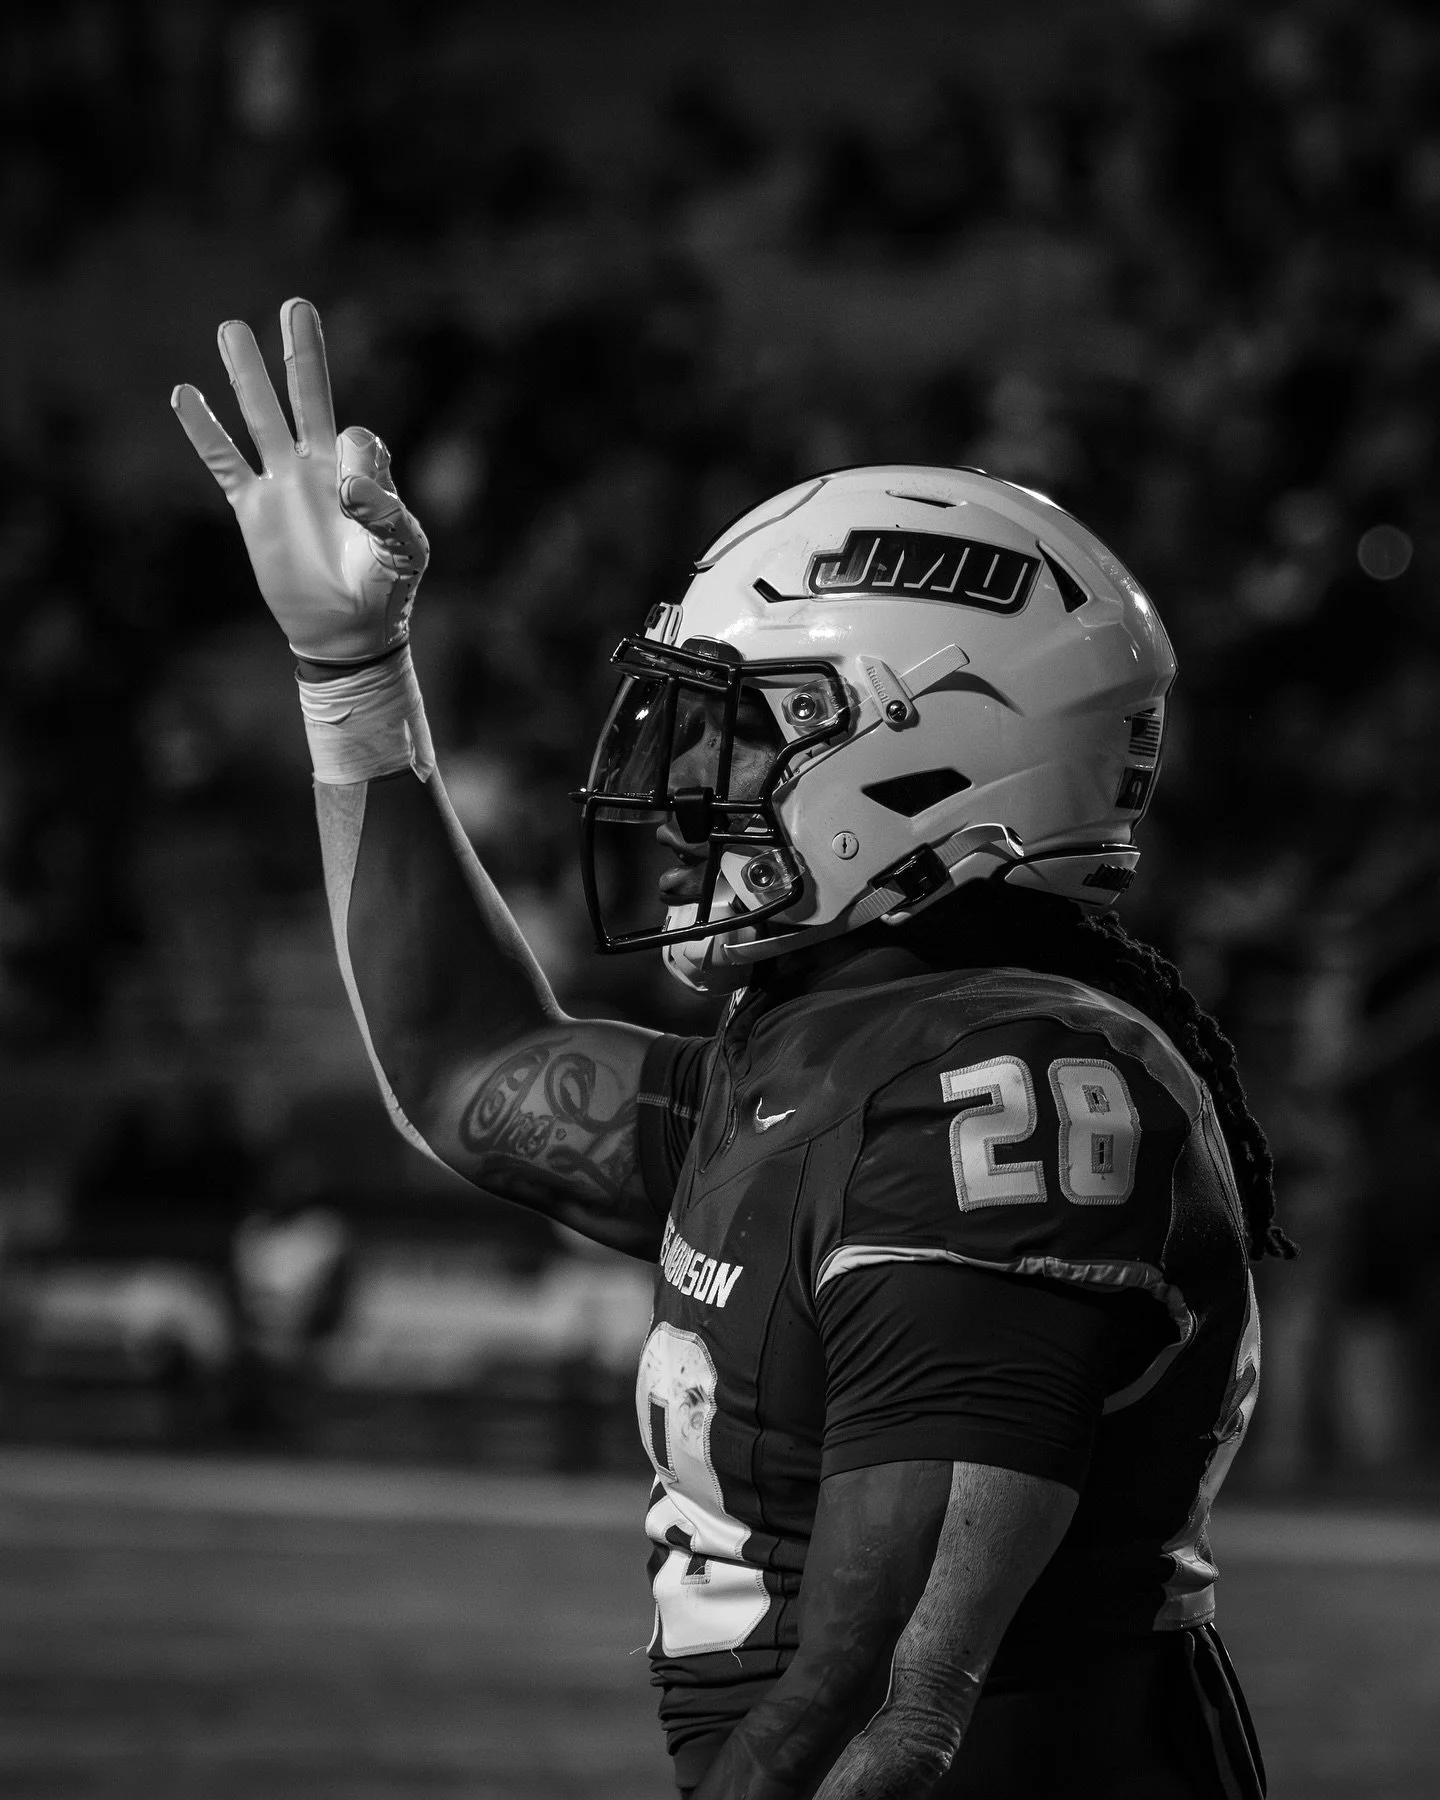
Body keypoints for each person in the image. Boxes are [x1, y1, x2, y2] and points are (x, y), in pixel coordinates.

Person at [173, 299, 1289, 1799]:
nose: (688, 792)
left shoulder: (998, 1088)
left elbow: (889, 1701)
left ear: (919, 753)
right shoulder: (840, 1050)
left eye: (743, 737)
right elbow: (463, 1070)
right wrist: (351, 677)